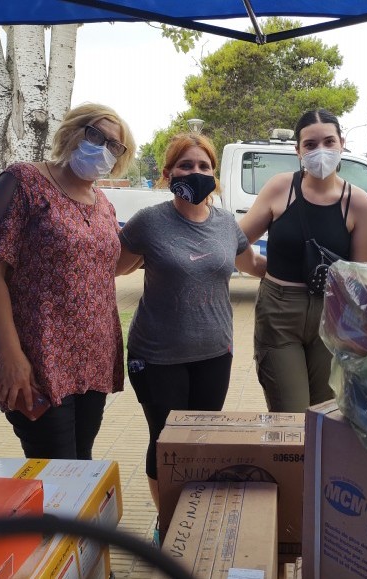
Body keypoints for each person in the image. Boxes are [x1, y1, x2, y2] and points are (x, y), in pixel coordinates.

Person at [0, 103, 135, 460]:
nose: (103, 148)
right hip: (38, 359)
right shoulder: (22, 182)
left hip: (92, 360)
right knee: (55, 471)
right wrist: (10, 355)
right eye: (96, 135)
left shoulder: (103, 203)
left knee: (81, 463)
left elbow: (104, 265)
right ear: (72, 132)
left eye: (114, 146)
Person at [116, 132, 266, 510]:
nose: (195, 172)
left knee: (201, 440)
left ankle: (192, 513)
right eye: (186, 165)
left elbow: (255, 266)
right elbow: (113, 268)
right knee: (166, 441)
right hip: (157, 357)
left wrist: (305, 266)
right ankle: (166, 521)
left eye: (203, 166)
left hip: (215, 353)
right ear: (168, 173)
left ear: (214, 176)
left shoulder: (225, 224)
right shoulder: (149, 222)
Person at [239, 109, 367, 412]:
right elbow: (235, 241)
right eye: (311, 145)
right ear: (298, 150)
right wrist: (258, 268)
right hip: (280, 313)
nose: (321, 151)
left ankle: (316, 463)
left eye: (329, 142)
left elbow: (359, 276)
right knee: (291, 413)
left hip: (331, 314)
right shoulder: (280, 188)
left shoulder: (359, 203)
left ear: (342, 142)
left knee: (324, 414)